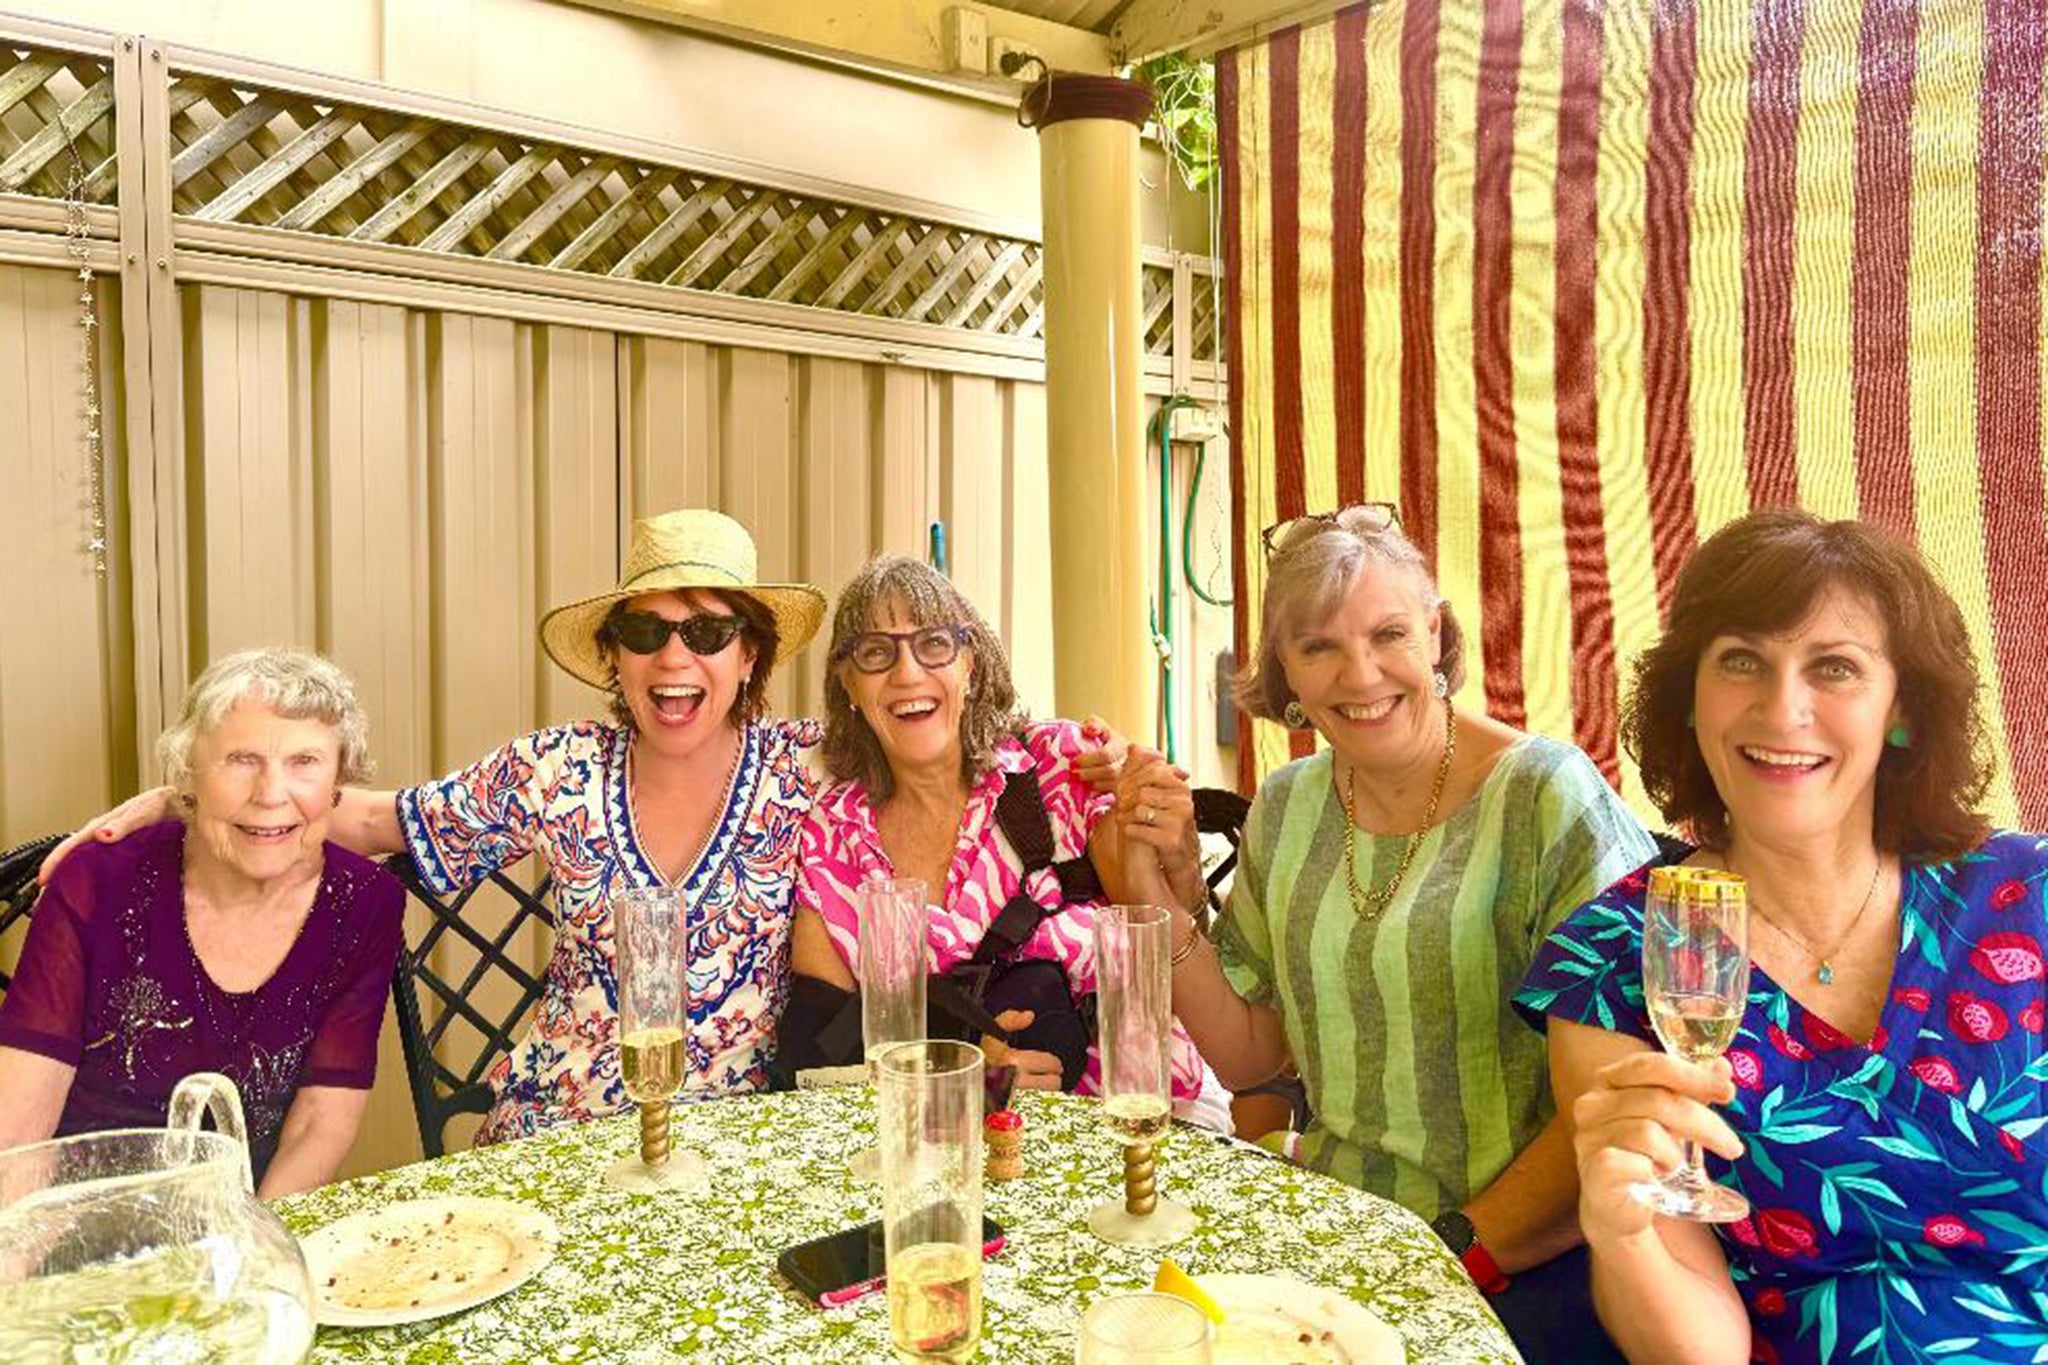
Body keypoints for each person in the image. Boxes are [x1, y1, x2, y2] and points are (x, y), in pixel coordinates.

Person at [44, 510, 828, 1142]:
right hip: (564, 1127)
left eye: (708, 632)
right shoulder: (558, 768)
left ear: (750, 655)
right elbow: (378, 818)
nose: (674, 656)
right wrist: (188, 797)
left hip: (738, 1140)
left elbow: (907, 786)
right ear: (616, 658)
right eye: (646, 632)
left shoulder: (808, 773)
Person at [1516, 509, 2046, 1364]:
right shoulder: (1613, 957)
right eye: (1741, 660)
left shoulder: (2029, 897)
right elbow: (1700, 1352)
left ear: (1902, 710)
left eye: (1834, 667)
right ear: (1691, 700)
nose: (1782, 707)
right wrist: (1623, 1235)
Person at [1151, 504, 1655, 1358]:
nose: (1361, 673)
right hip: (1340, 1240)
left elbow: (1628, 1092)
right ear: (1285, 670)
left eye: (1388, 634)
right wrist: (1153, 891)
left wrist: (1457, 1248)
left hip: (1518, 1259)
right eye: (1318, 646)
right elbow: (1248, 1054)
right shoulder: (1287, 805)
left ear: (1436, 635)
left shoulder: (1546, 796)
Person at [781, 555, 1231, 1130]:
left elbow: (1162, 942)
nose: (907, 673)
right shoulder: (835, 832)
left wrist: (1175, 846)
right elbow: (812, 1058)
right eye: (875, 653)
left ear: (970, 664)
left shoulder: (1061, 769)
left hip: (1136, 1118)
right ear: (847, 682)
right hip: (943, 1141)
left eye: (934, 644)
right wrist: (958, 1079)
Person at [0, 650, 404, 1197]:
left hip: (245, 1217)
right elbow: (18, 1133)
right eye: (241, 759)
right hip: (80, 1212)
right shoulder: (100, 880)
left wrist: (255, 1240)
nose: (270, 794)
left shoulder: (365, 902)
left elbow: (320, 1122)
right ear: (189, 774)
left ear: (339, 782)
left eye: (304, 761)